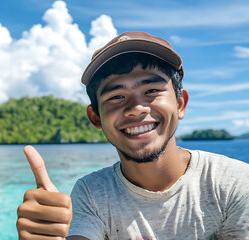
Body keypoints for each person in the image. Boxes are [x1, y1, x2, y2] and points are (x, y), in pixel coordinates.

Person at [16, 31, 249, 239]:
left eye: (151, 91)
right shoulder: (92, 193)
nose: (137, 108)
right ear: (95, 117)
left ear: (180, 104)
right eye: (116, 96)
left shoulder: (235, 183)